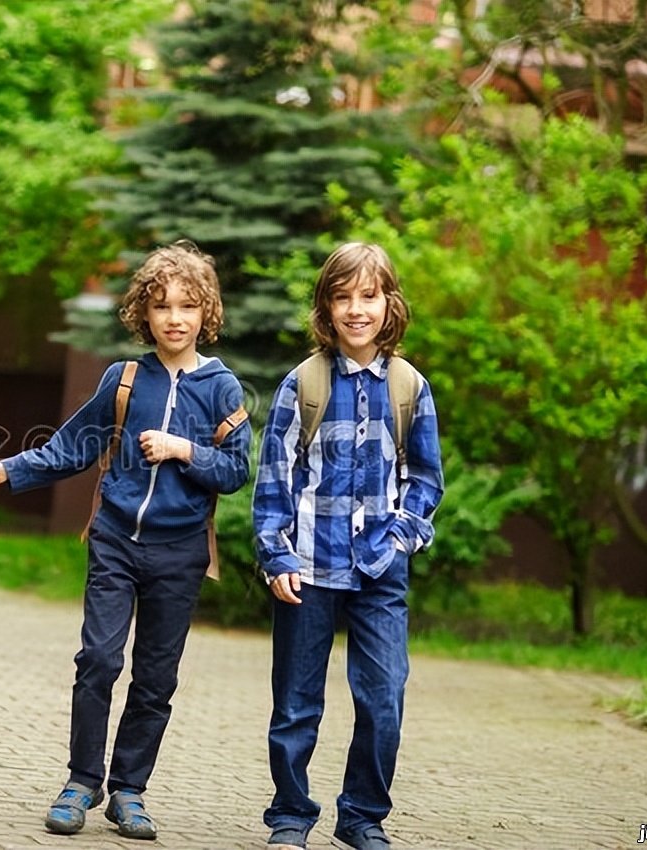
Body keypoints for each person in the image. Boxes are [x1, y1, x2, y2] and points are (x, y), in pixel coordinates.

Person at [0, 242, 251, 841]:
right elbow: (71, 446)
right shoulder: (125, 379)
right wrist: (9, 468)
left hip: (180, 552)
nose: (174, 317)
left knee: (155, 678)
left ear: (205, 314)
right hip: (116, 541)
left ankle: (130, 792)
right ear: (145, 312)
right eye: (162, 305)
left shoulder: (222, 389)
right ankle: (81, 781)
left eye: (188, 306)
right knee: (99, 660)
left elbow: (236, 469)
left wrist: (183, 450)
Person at [252, 243, 443, 850]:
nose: (356, 310)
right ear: (326, 308)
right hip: (308, 565)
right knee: (296, 705)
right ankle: (290, 815)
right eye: (343, 297)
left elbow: (425, 479)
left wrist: (401, 538)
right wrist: (275, 555)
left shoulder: (410, 387)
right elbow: (274, 478)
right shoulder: (302, 384)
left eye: (369, 296)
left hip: (380, 570)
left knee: (384, 698)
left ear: (390, 305)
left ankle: (362, 817)